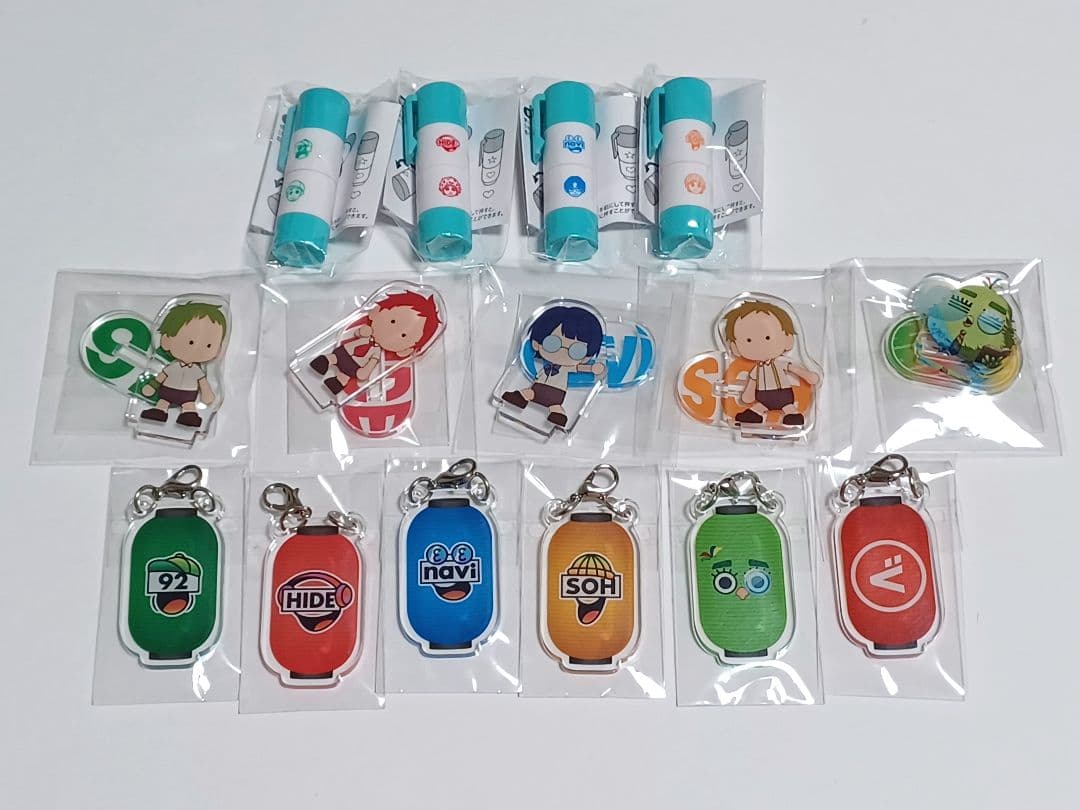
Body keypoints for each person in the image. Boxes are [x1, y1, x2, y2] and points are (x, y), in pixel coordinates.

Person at [309, 290, 442, 396]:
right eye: (392, 321)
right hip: (344, 353)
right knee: (335, 357)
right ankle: (325, 361)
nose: (392, 332)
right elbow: (359, 333)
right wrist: (363, 331)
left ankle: (337, 382)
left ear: (406, 350)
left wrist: (365, 372)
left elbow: (372, 362)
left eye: (403, 335)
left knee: (344, 376)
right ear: (376, 312)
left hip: (356, 366)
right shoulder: (367, 334)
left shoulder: (376, 353)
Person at [501, 304, 606, 428]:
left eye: (576, 350)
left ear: (586, 356)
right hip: (539, 386)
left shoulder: (568, 367)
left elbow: (579, 368)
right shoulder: (544, 362)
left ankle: (557, 414)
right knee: (531, 392)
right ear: (537, 343)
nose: (563, 351)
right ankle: (520, 399)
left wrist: (592, 368)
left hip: (557, 391)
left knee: (555, 404)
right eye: (552, 343)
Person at [721, 299, 820, 427]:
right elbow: (752, 382)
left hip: (782, 393)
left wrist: (808, 376)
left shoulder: (780, 364)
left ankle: (792, 415)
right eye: (749, 340)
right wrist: (748, 396)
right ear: (735, 347)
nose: (758, 345)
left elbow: (794, 369)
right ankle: (754, 415)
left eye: (767, 337)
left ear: (788, 339)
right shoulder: (756, 369)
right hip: (763, 396)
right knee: (760, 406)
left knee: (787, 406)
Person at [140, 301, 228, 429]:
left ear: (218, 349)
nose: (197, 349)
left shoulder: (196, 371)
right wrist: (152, 386)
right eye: (190, 342)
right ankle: (159, 412)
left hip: (188, 396)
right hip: (167, 392)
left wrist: (207, 394)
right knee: (163, 402)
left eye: (208, 345)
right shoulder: (173, 366)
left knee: (189, 405)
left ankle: (189, 415)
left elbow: (203, 383)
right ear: (166, 340)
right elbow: (161, 377)